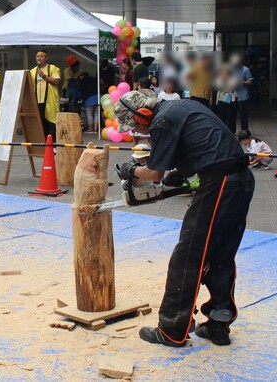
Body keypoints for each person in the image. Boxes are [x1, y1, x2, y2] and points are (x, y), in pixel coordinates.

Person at [114, 91, 255, 348]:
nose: (136, 130)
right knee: (220, 255)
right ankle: (218, 325)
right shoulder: (181, 107)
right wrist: (182, 170)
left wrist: (131, 170)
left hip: (220, 183)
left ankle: (172, 329)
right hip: (240, 180)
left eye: (134, 125)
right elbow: (205, 143)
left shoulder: (161, 121)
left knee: (188, 255)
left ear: (142, 115)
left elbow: (154, 173)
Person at [30, 50, 61, 140]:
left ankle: (52, 143)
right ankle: (42, 143)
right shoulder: (33, 71)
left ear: (46, 58)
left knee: (51, 123)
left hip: (49, 100)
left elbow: (56, 82)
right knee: (40, 123)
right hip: (37, 101)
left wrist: (44, 76)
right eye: (37, 56)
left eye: (41, 56)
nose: (39, 58)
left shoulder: (52, 68)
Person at [215, 63, 239, 133]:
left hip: (231, 101)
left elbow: (232, 88)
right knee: (222, 116)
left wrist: (226, 80)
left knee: (231, 117)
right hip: (221, 100)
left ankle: (232, 132)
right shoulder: (218, 79)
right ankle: (223, 131)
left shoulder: (233, 78)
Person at [232, 54, 253, 131]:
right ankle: (232, 130)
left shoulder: (246, 70)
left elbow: (250, 81)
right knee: (232, 114)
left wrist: (241, 82)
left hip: (243, 95)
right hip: (232, 95)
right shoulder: (231, 69)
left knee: (243, 114)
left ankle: (244, 130)